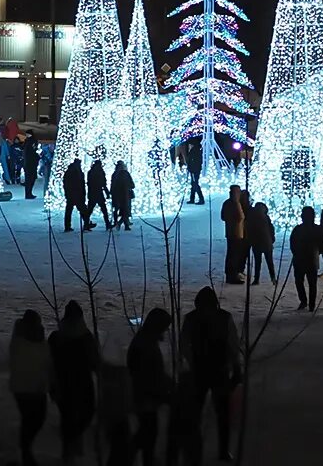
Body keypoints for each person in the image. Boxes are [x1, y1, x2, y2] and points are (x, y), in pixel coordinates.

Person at [178, 287, 241, 462]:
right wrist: (235, 366)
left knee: (212, 413)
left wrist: (190, 362)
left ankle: (204, 451)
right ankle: (216, 450)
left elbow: (184, 344)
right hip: (213, 370)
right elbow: (233, 344)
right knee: (216, 413)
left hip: (207, 370)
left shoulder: (192, 318)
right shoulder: (223, 318)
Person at [49, 300, 101, 459]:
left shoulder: (58, 336)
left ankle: (70, 448)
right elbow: (94, 362)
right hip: (75, 383)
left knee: (72, 417)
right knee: (79, 416)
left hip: (67, 383)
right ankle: (70, 448)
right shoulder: (83, 337)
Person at [126, 307, 174, 465]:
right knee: (147, 433)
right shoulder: (146, 345)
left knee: (147, 432)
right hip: (146, 397)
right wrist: (163, 393)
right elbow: (149, 375)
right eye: (164, 327)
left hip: (144, 394)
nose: (166, 331)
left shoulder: (145, 340)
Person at [9, 309, 50, 466]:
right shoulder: (23, 339)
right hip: (28, 388)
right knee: (33, 420)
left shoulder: (28, 338)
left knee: (33, 420)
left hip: (31, 387)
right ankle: (25, 452)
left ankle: (25, 451)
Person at [288, 207, 321, 310]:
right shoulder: (317, 229)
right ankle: (310, 304)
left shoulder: (298, 229)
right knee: (311, 283)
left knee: (300, 281)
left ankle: (305, 302)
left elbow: (292, 243)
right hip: (310, 259)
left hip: (301, 259)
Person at [220, 185, 247, 284]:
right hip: (237, 232)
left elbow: (223, 216)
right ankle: (233, 275)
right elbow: (241, 217)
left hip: (229, 232)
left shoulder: (226, 203)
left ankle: (230, 274)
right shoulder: (236, 204)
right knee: (235, 254)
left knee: (230, 253)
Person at [246, 199, 276, 285]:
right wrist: (272, 239)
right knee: (270, 261)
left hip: (256, 242)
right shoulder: (265, 217)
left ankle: (256, 279)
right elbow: (271, 229)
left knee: (257, 262)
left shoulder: (251, 217)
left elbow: (249, 230)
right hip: (267, 242)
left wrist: (250, 240)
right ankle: (273, 278)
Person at [62, 158, 93, 231]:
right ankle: (86, 224)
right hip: (76, 195)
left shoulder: (71, 171)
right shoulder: (76, 172)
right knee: (82, 210)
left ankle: (68, 226)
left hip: (72, 194)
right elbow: (78, 184)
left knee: (70, 211)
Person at [110, 160, 135, 229]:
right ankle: (123, 224)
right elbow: (131, 184)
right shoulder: (125, 173)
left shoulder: (115, 174)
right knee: (125, 210)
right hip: (125, 195)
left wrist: (111, 192)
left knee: (117, 209)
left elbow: (112, 184)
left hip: (116, 195)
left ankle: (117, 222)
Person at [86, 158, 111, 227]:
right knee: (104, 210)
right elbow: (103, 184)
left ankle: (86, 224)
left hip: (92, 193)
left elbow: (89, 183)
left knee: (89, 210)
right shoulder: (100, 172)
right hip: (99, 193)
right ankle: (107, 224)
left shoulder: (90, 172)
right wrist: (107, 193)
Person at [23, 134, 41, 199]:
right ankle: (28, 193)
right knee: (30, 179)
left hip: (29, 164)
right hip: (31, 164)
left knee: (29, 179)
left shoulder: (27, 143)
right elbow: (32, 154)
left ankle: (28, 193)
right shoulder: (30, 143)